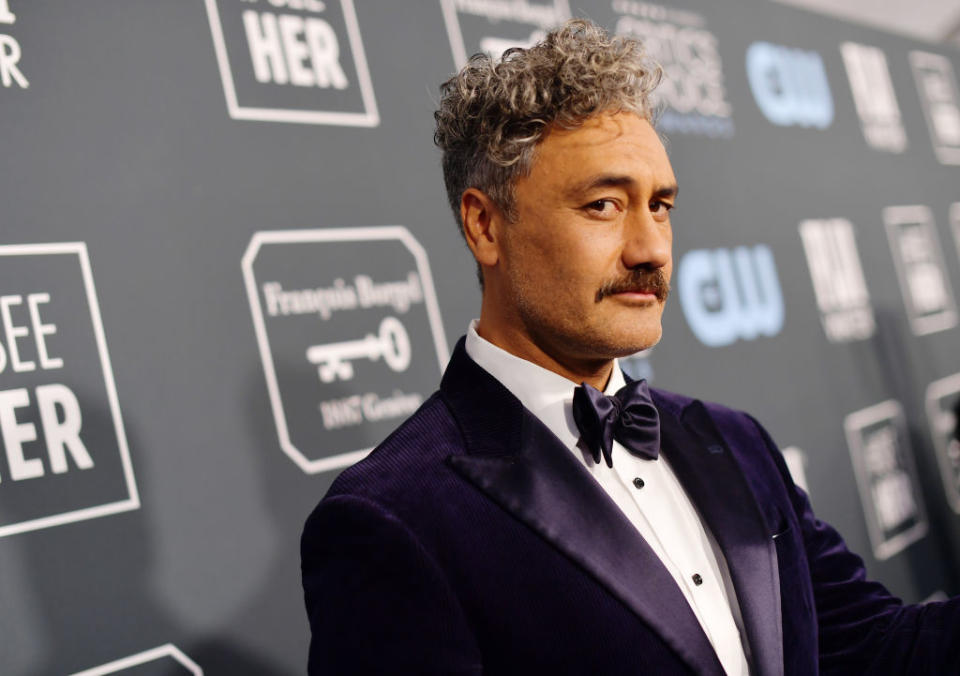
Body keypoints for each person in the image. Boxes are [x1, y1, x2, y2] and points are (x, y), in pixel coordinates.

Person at [300, 19, 959, 675]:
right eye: (604, 205)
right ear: (484, 225)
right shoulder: (394, 519)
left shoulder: (734, 442)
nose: (650, 249)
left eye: (661, 206)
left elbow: (878, 649)